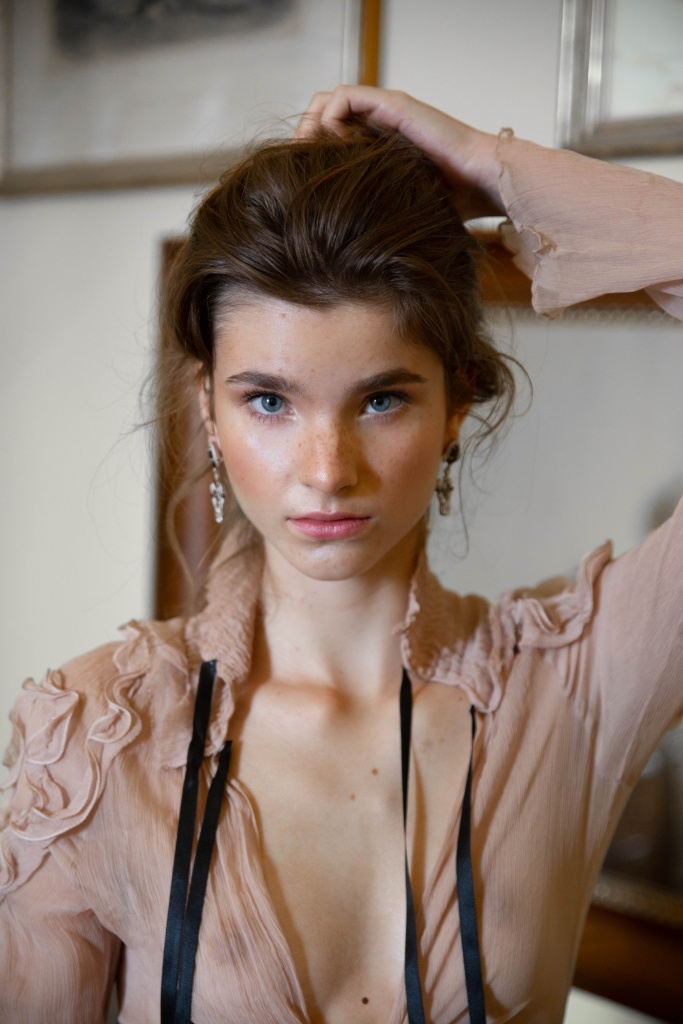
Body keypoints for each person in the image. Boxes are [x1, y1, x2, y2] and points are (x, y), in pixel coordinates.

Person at [0, 86, 681, 1024]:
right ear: (207, 409)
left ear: (457, 404)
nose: (327, 471)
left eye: (381, 399)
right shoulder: (98, 737)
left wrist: (501, 175)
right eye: (268, 401)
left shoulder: (577, 684)